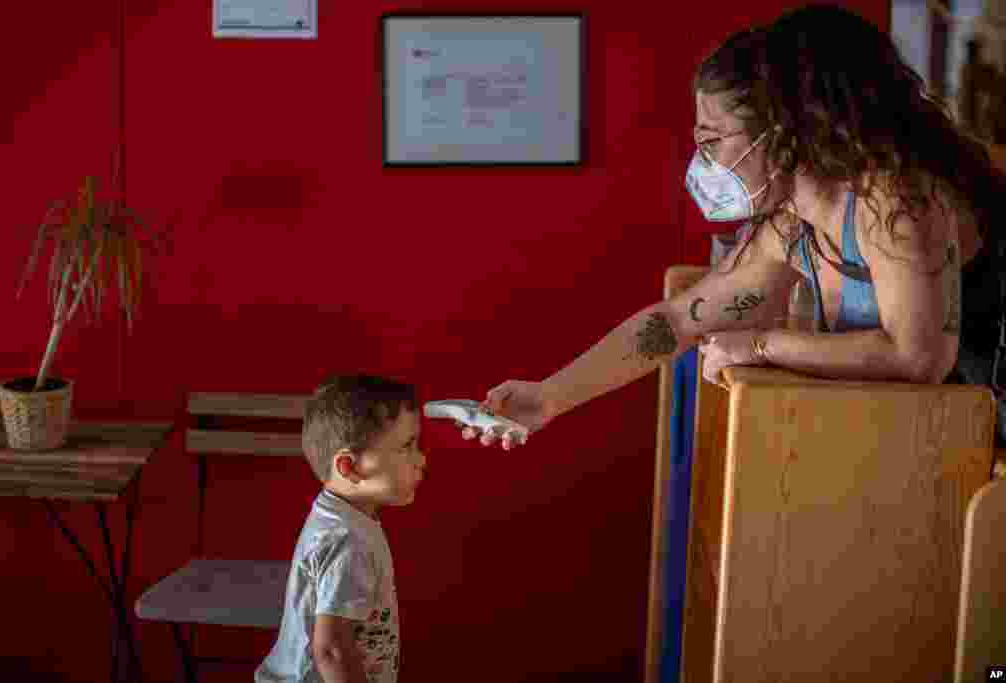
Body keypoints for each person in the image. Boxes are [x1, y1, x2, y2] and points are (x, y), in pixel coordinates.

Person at [458, 3, 1005, 450]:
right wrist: (553, 396)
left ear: (785, 131)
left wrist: (762, 344)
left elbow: (917, 357)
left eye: (714, 138)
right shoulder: (795, 227)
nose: (704, 158)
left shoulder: (894, 198)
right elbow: (675, 322)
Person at [256, 375, 426, 683]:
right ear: (349, 467)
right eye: (407, 446)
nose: (421, 460)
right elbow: (332, 649)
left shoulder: (342, 516)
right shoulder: (348, 540)